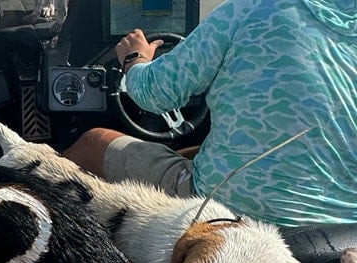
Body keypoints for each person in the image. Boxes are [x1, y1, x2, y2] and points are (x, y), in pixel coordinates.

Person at [62, 0, 357, 227]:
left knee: (93, 141)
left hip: (228, 212)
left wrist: (135, 59)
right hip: (341, 232)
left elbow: (154, 93)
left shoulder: (246, 10)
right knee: (195, 151)